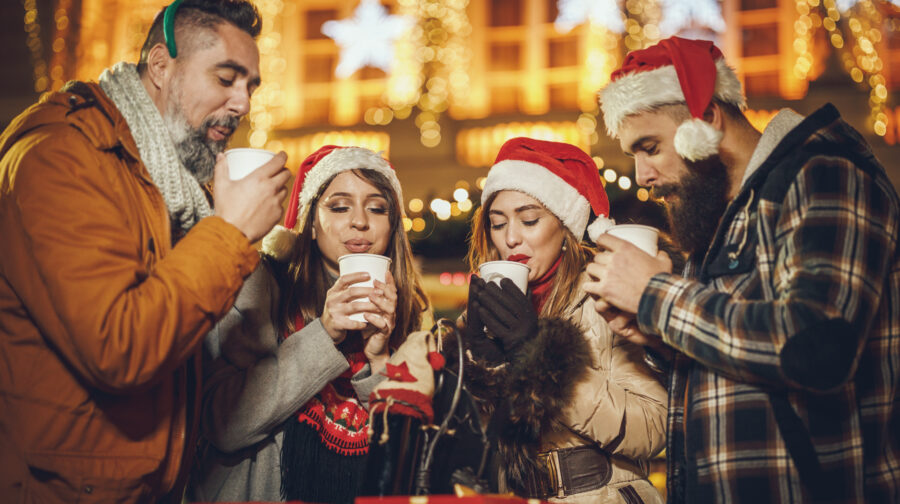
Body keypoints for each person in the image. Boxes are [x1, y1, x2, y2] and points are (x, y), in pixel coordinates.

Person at [588, 36, 900, 503]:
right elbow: (740, 372)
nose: (642, 176)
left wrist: (656, 295)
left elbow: (816, 348)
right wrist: (655, 334)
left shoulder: (824, 174)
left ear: (706, 118)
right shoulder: (717, 210)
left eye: (649, 147)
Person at [0, 0, 290, 501]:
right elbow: (119, 349)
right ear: (160, 65)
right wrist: (229, 235)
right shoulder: (60, 158)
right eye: (226, 78)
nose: (243, 103)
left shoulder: (172, 185)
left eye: (250, 86)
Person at [189, 145, 432, 503]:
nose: (360, 221)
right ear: (312, 225)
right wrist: (324, 334)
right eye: (339, 206)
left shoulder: (412, 316)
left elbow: (410, 464)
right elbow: (224, 425)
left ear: (392, 226)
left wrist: (379, 360)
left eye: (377, 208)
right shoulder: (259, 287)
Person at [460, 137, 667, 503]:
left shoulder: (605, 297)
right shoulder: (484, 315)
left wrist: (537, 356)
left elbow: (653, 429)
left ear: (565, 228)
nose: (510, 237)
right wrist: (481, 367)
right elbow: (476, 451)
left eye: (529, 219)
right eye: (497, 223)